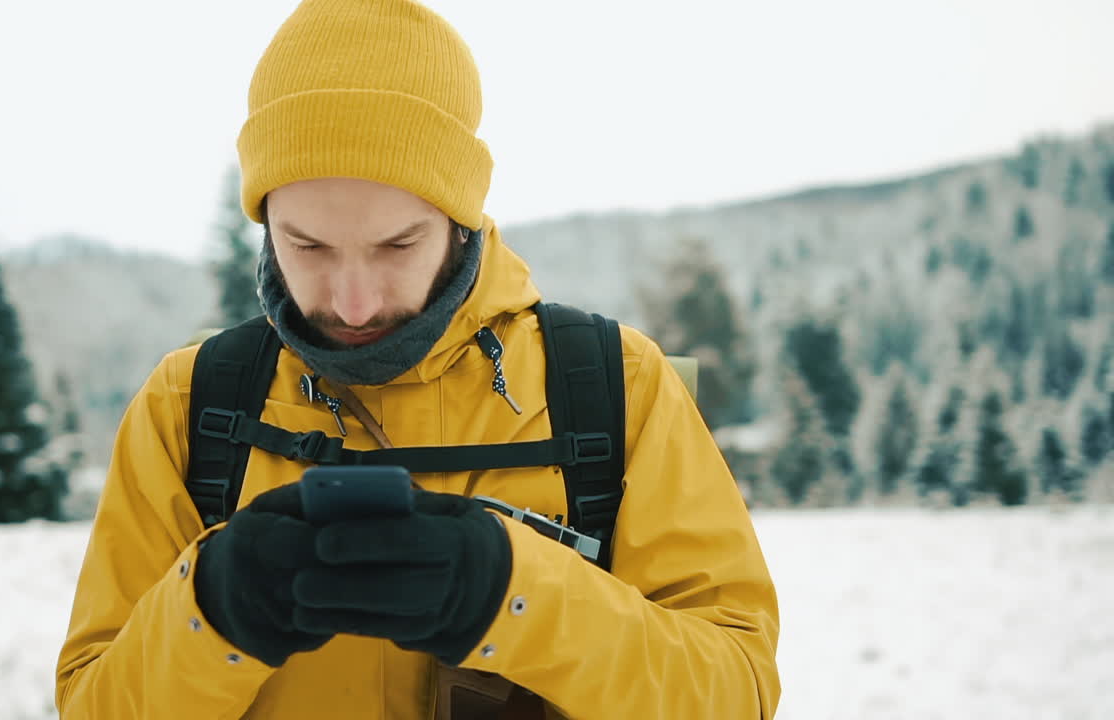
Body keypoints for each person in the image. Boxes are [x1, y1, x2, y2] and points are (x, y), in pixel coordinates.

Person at [54, 0, 780, 717]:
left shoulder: (619, 384)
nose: (354, 303)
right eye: (307, 245)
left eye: (398, 245)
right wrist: (211, 611)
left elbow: (734, 694)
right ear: (265, 223)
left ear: (460, 221)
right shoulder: (189, 405)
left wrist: (511, 594)